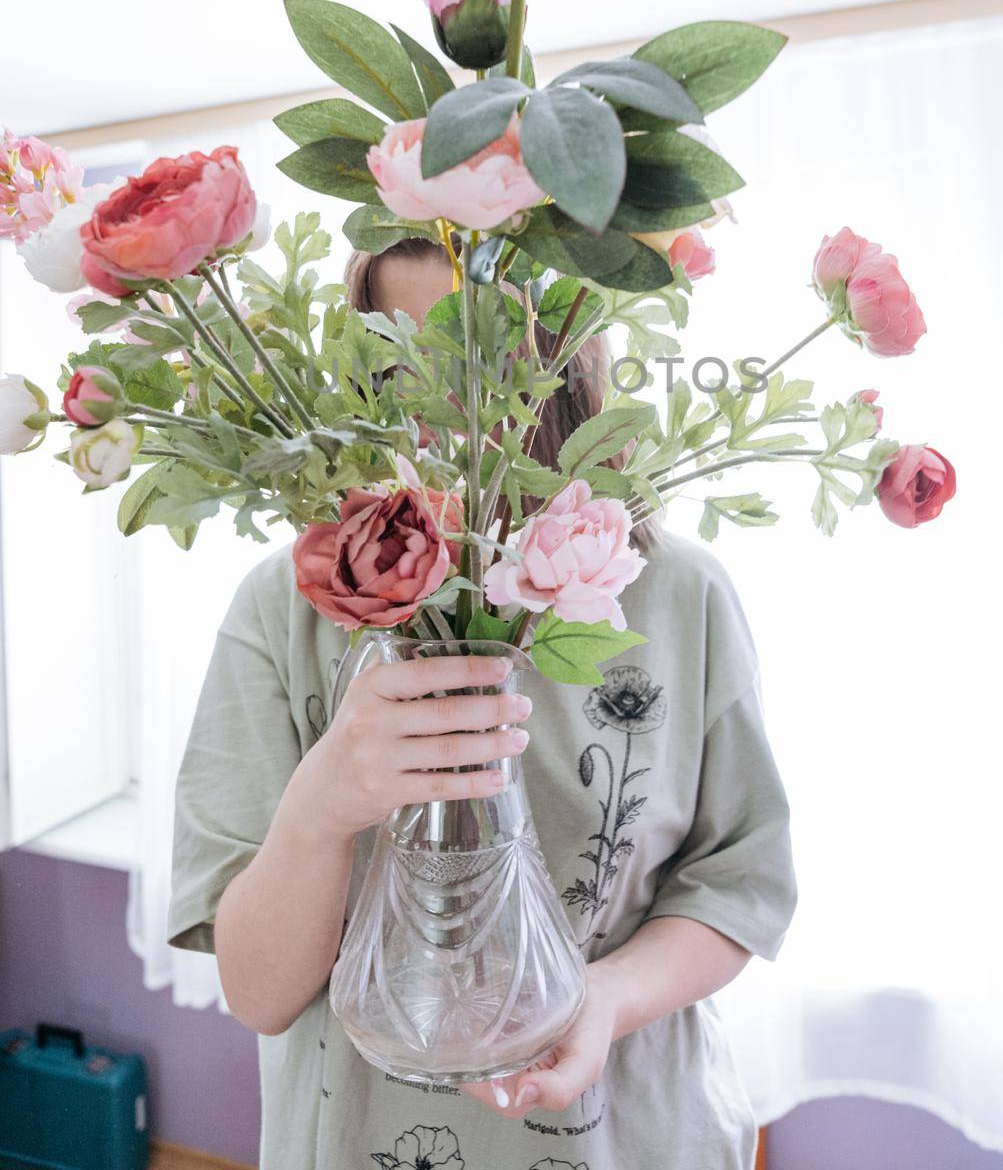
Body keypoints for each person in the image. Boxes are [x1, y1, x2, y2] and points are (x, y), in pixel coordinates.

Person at [167, 237, 798, 1170]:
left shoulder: (678, 595)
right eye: (398, 359)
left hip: (625, 1133)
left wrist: (604, 998)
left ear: (563, 363)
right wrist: (321, 807)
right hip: (360, 1136)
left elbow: (737, 884)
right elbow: (258, 994)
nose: (433, 409)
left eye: (478, 357)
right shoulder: (291, 601)